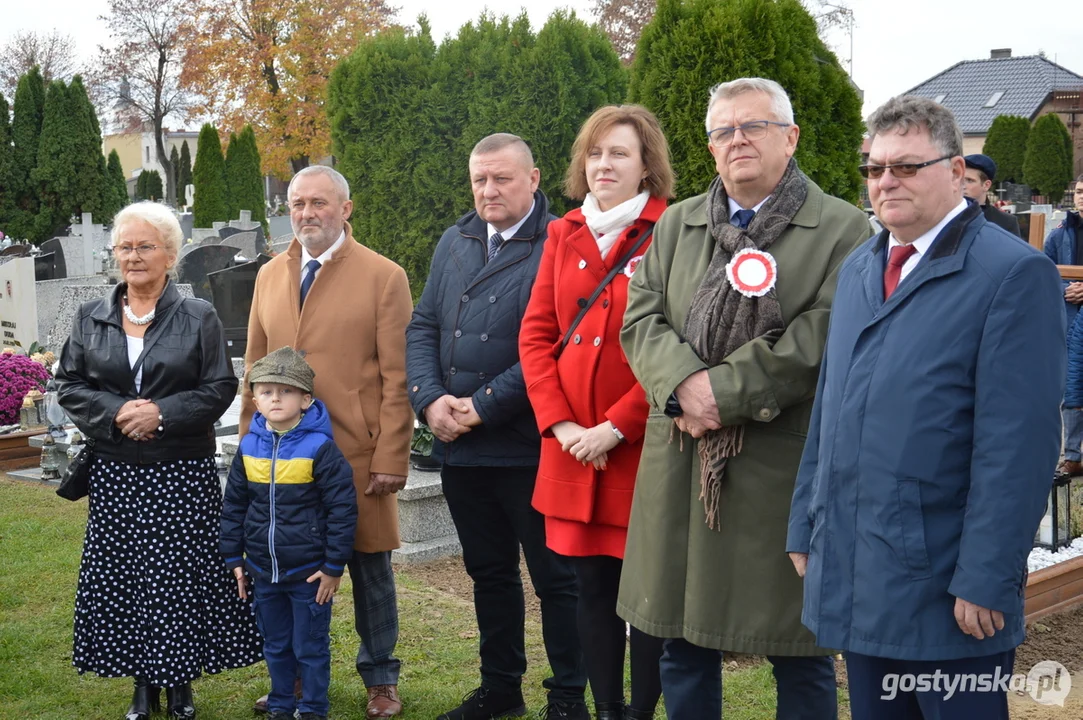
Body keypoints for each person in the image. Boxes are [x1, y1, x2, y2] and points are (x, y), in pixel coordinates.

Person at [787, 95, 1065, 720]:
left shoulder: (1012, 276)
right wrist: (807, 524)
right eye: (875, 168)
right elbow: (830, 410)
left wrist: (987, 575)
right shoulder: (862, 266)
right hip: (863, 575)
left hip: (950, 590)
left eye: (907, 166)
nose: (886, 181)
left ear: (956, 170)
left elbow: (1017, 447)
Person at [617, 77, 872, 720]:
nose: (737, 141)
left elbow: (823, 332)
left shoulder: (843, 228)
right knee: (680, 639)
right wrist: (680, 386)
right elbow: (641, 315)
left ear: (789, 137)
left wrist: (720, 391)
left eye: (753, 126)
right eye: (723, 131)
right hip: (683, 461)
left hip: (775, 468)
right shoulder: (678, 223)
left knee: (797, 646)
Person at [55, 201, 263, 720]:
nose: (134, 256)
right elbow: (69, 384)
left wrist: (162, 414)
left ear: (169, 255)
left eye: (145, 246)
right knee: (128, 579)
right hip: (117, 471)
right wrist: (119, 411)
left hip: (179, 472)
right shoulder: (91, 316)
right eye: (125, 246)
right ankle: (144, 685)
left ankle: (181, 685)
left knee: (177, 581)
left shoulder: (198, 316)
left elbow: (219, 386)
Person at [406, 133, 587, 720]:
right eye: (480, 180)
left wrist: (482, 405)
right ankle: (500, 687)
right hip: (462, 447)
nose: (489, 190)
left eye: (502, 178)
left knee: (556, 579)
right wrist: (431, 401)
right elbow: (424, 325)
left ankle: (567, 696)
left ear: (533, 179)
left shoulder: (560, 242)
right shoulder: (455, 240)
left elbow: (558, 345)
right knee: (489, 574)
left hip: (530, 444)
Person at [242, 165, 414, 719]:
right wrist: (249, 442)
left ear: (346, 208)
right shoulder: (269, 275)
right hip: (278, 457)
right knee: (286, 572)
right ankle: (290, 679)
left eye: (319, 203)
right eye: (297, 204)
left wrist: (391, 454)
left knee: (369, 568)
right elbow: (254, 365)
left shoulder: (383, 276)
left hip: (354, 452)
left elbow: (398, 376)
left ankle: (380, 678)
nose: (307, 213)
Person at [518, 105, 671, 720]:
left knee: (648, 598)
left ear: (646, 166)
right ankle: (608, 710)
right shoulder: (564, 232)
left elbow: (680, 341)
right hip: (572, 449)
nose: (604, 164)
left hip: (637, 447)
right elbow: (536, 336)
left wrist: (614, 427)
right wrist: (562, 426)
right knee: (591, 591)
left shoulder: (671, 231)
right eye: (596, 153)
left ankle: (640, 714)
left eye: (620, 154)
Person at [222, 346, 358, 720]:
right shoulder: (249, 446)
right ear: (254, 399)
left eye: (286, 392)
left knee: (310, 647)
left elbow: (342, 510)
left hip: (309, 574)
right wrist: (235, 558)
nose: (276, 398)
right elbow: (234, 505)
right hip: (264, 573)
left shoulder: (321, 448)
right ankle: (282, 704)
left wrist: (333, 567)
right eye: (266, 391)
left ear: (305, 399)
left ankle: (313, 708)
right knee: (277, 644)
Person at [1045, 174, 1083, 475]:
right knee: (1072, 385)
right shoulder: (1060, 234)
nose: (1081, 197)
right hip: (1071, 315)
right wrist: (1063, 290)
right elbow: (1044, 273)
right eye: (1079, 192)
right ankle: (1073, 454)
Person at [961, 154, 1022, 238]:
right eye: (960, 180)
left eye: (969, 180)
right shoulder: (946, 216)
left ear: (986, 185)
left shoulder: (1005, 222)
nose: (962, 186)